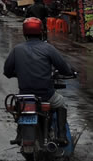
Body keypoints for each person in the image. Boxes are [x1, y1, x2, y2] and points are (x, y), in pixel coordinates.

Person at [4, 17, 74, 146]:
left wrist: (18, 74)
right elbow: (63, 67)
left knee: (19, 108)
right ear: (41, 31)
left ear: (25, 33)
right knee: (61, 103)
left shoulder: (17, 49)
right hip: (46, 95)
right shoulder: (48, 48)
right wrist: (70, 72)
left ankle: (20, 133)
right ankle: (62, 136)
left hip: (24, 97)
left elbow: (7, 71)